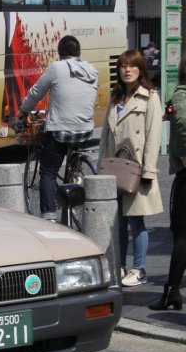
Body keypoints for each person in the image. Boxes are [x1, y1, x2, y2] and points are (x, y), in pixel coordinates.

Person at [98, 49, 163, 287]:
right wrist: (100, 168)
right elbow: (105, 134)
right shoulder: (116, 98)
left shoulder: (150, 97)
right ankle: (119, 265)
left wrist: (148, 171)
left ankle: (139, 267)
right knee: (118, 222)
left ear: (140, 69)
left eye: (132, 66)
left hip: (135, 170)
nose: (127, 70)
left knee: (136, 221)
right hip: (114, 168)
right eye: (123, 66)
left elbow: (153, 137)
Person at [18, 35, 98, 221]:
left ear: (60, 53)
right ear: (79, 53)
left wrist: (23, 111)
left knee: (48, 172)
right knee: (70, 158)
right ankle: (75, 175)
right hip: (86, 131)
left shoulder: (56, 68)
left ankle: (49, 217)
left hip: (61, 131)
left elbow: (36, 92)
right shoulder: (92, 70)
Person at [150, 53, 186, 309]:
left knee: (182, 233)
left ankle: (172, 291)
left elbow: (183, 125)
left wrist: (184, 157)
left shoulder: (182, 94)